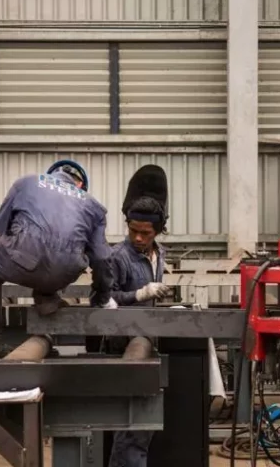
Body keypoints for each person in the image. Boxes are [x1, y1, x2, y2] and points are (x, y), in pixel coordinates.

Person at [0, 160, 112, 346]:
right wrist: (101, 298)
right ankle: (47, 300)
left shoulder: (28, 182)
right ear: (80, 186)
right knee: (56, 254)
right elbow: (102, 258)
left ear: (51, 175)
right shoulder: (94, 206)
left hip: (25, 260)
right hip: (64, 275)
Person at [91, 164, 170, 467]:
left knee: (143, 424)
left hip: (149, 341)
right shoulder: (116, 257)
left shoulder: (158, 253)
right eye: (133, 231)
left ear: (158, 230)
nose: (138, 238)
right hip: (122, 347)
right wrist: (139, 295)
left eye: (145, 233)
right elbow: (101, 300)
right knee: (130, 424)